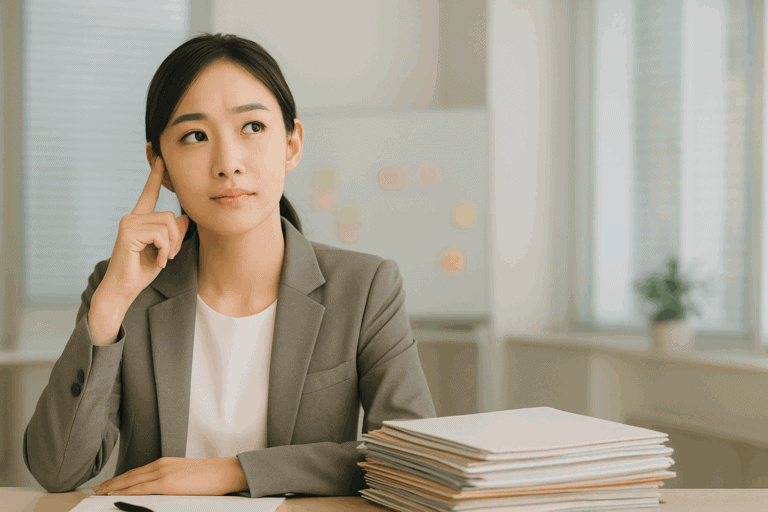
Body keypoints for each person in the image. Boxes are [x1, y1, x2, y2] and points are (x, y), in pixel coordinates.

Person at [23, 33, 436, 498]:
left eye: (253, 128)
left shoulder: (365, 288)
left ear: (292, 144)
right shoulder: (121, 287)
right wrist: (111, 304)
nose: (228, 164)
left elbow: (410, 458)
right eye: (194, 136)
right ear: (160, 165)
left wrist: (235, 471)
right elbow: (56, 470)